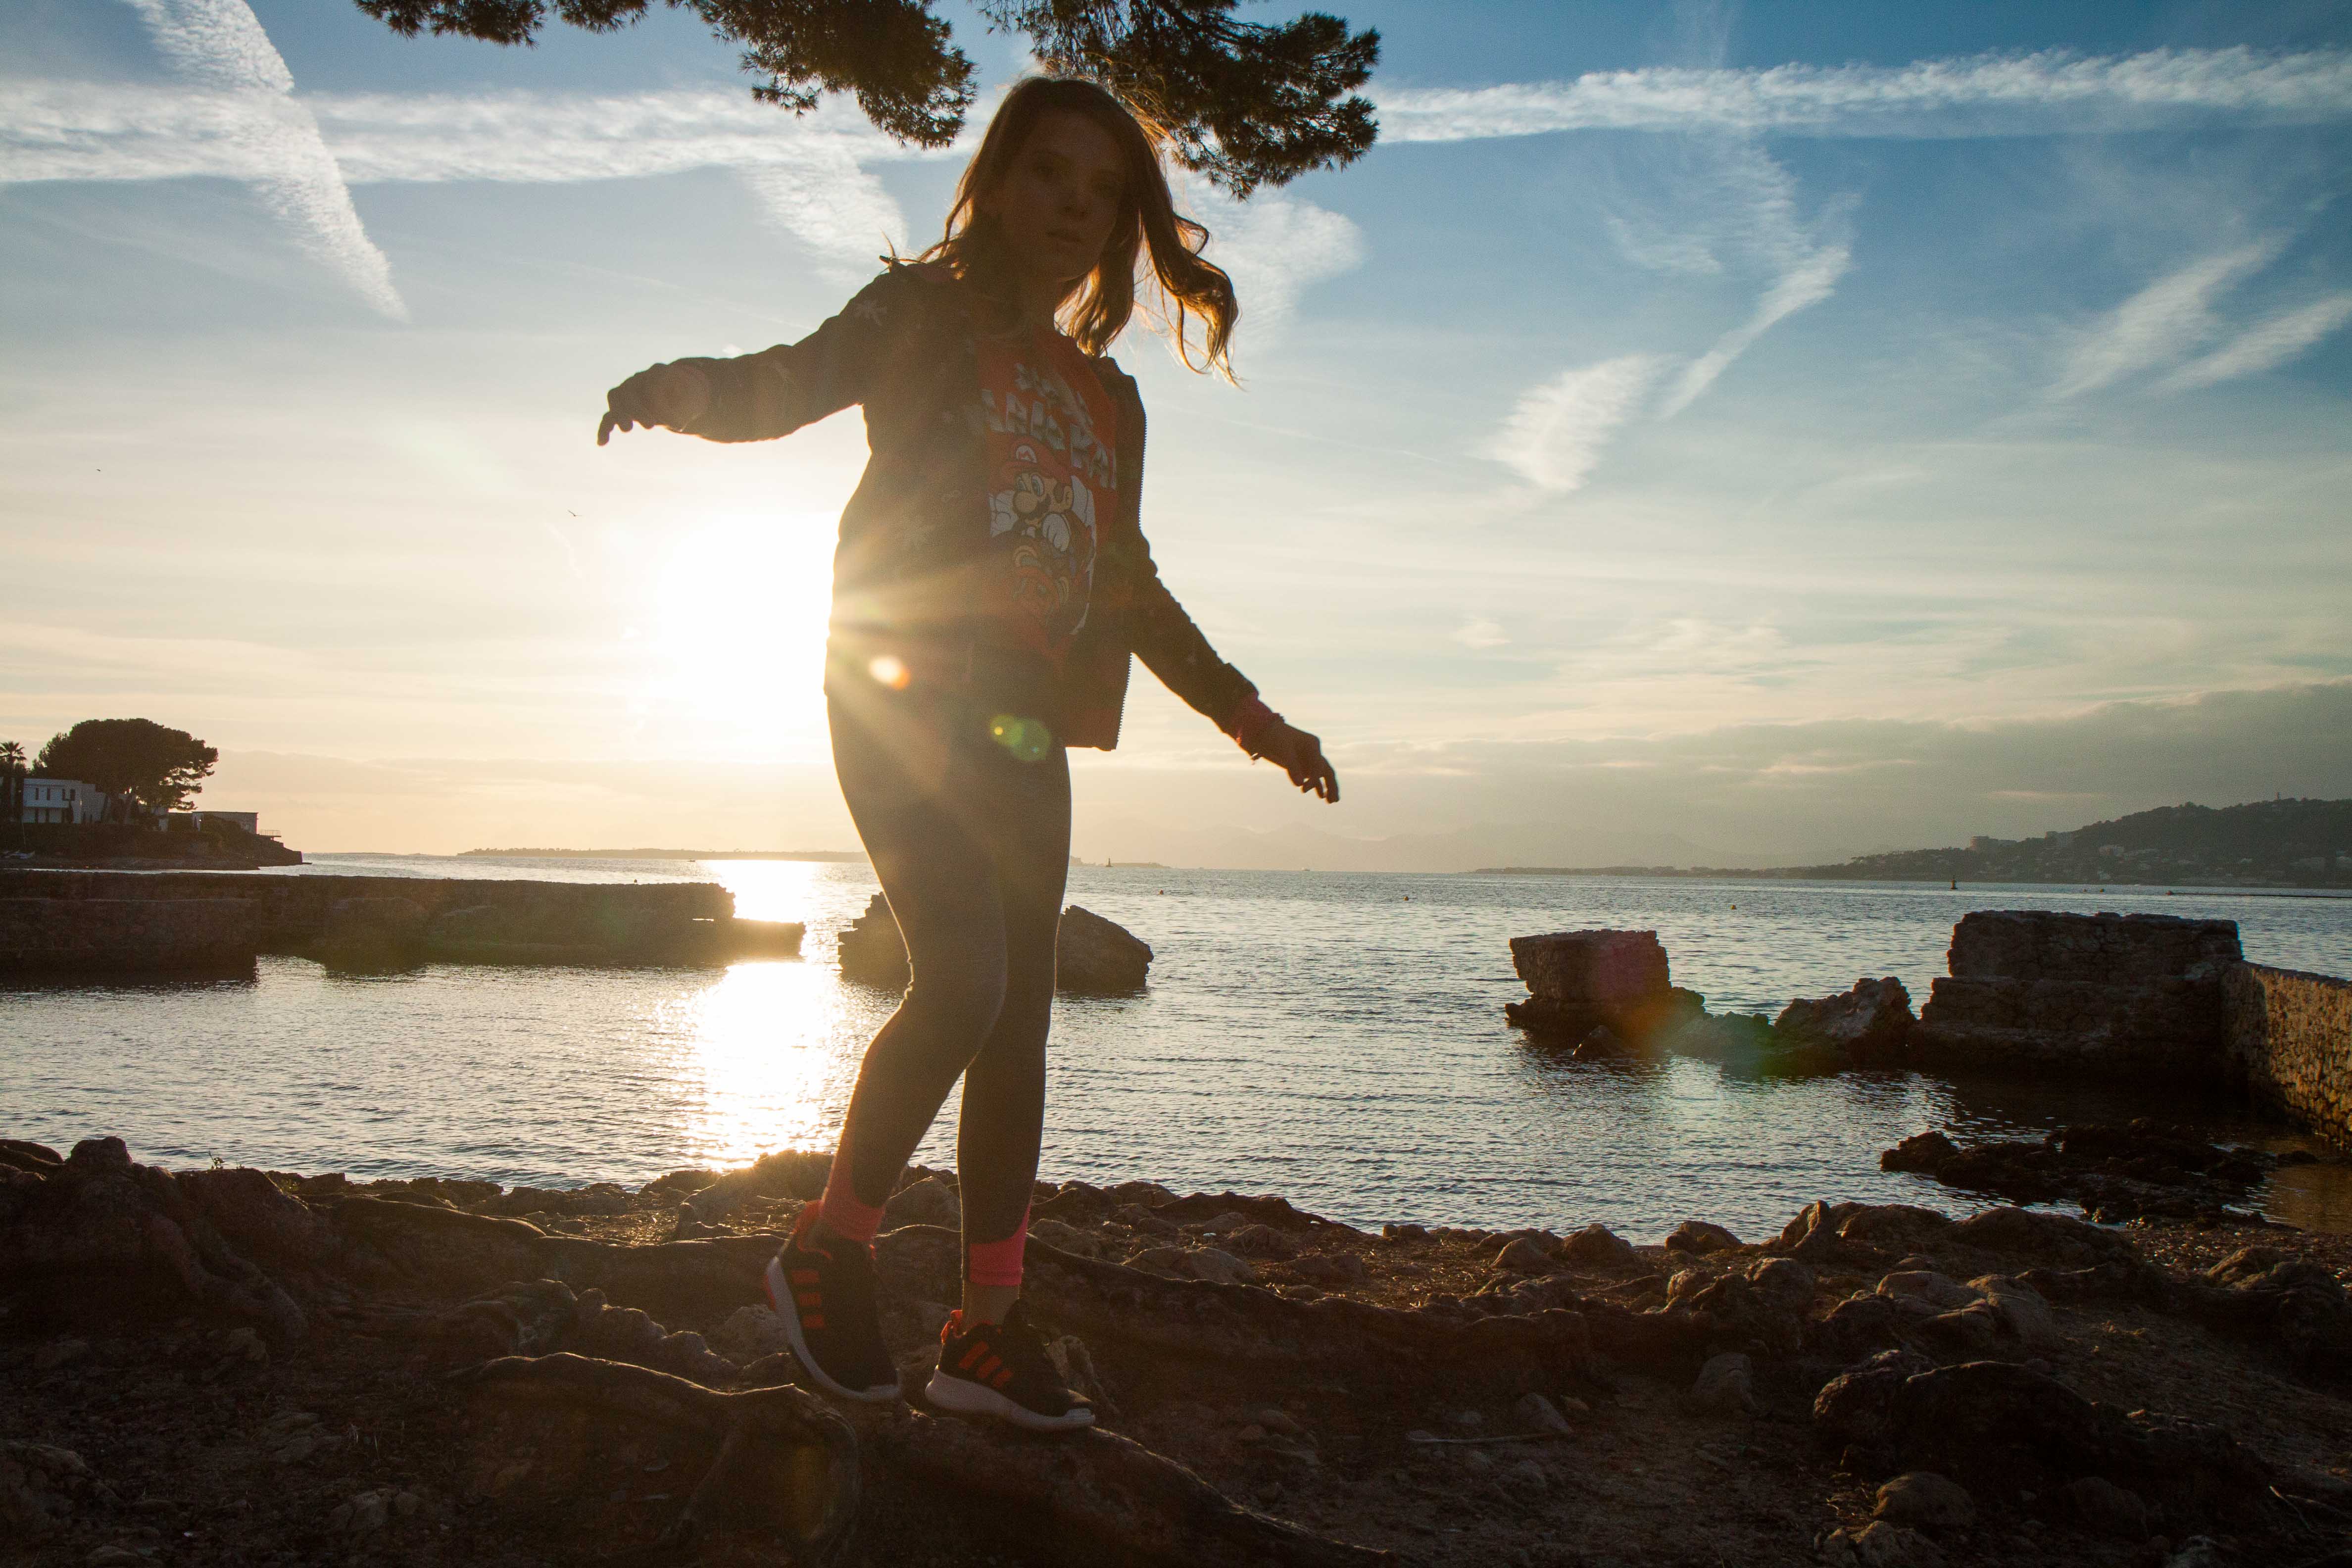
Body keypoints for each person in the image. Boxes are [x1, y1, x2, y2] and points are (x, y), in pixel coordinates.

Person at [598, 77, 1338, 1431]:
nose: (1074, 207)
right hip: (896, 694)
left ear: (1125, 227)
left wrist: (1256, 723)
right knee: (965, 982)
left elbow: (1131, 591)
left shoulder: (1108, 402)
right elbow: (793, 382)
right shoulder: (920, 317)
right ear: (997, 183)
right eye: (1050, 175)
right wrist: (681, 392)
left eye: (1103, 192)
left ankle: (984, 1331)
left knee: (1018, 1029)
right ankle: (828, 1246)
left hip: (1021, 724)